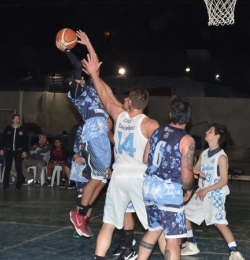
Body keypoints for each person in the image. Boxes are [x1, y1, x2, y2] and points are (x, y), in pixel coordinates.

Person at [82, 51, 159, 260]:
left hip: (118, 175)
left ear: (130, 103)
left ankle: (99, 257)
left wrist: (94, 75)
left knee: (109, 223)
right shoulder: (151, 124)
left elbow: (104, 95)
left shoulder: (118, 115)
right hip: (139, 176)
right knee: (156, 225)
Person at [57, 31, 112, 238]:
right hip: (94, 132)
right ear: (72, 83)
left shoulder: (89, 88)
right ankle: (78, 213)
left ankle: (84, 216)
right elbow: (79, 67)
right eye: (77, 77)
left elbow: (93, 66)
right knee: (97, 176)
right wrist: (67, 50)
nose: (81, 77)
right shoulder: (75, 92)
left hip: (103, 134)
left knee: (103, 179)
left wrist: (88, 43)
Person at [137, 97, 195, 260]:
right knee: (174, 241)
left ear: (170, 114)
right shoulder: (186, 140)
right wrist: (189, 188)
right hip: (168, 190)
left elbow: (145, 159)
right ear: (188, 118)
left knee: (154, 230)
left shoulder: (156, 132)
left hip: (149, 186)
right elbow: (186, 175)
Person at [184, 124, 245, 260]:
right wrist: (195, 172)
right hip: (202, 192)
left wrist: (205, 189)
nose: (206, 132)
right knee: (184, 213)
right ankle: (191, 244)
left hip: (215, 193)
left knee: (220, 223)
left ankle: (234, 252)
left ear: (217, 136)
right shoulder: (204, 153)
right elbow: (195, 169)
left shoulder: (221, 157)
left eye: (210, 131)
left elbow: (223, 181)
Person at [0, 114, 28, 190]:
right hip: (9, 150)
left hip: (18, 151)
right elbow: (3, 140)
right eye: (15, 118)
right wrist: (1, 149)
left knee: (18, 167)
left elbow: (25, 141)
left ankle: (18, 186)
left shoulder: (22, 130)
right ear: (12, 120)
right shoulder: (7, 129)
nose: (16, 120)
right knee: (7, 167)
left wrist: (24, 151)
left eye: (18, 119)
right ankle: (5, 185)